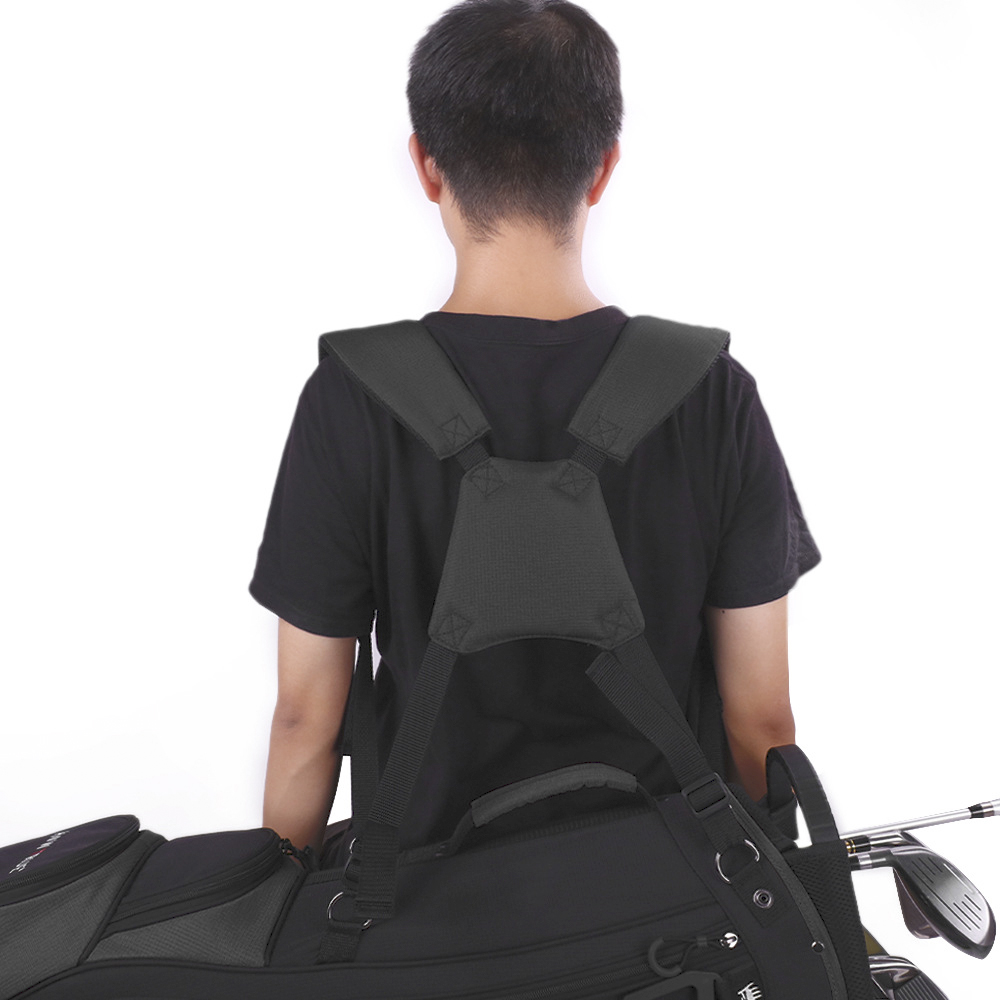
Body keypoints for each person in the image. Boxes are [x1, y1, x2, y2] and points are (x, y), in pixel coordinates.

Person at [249, 0, 820, 857]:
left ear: (426, 166)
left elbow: (306, 717)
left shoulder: (352, 398)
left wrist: (271, 907)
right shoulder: (712, 395)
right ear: (604, 167)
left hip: (427, 907)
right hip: (672, 904)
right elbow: (761, 718)